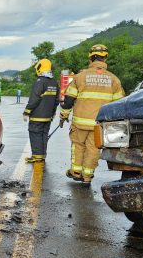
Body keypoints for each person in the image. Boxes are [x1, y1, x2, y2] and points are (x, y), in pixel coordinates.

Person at [59, 44, 124, 184]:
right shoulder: (114, 79)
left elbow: (69, 101)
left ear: (90, 58)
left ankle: (76, 171)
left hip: (80, 122)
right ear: (105, 59)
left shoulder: (80, 77)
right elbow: (119, 105)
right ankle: (87, 176)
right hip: (99, 124)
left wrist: (63, 116)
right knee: (93, 149)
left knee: (78, 145)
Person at [23, 58, 59, 163]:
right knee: (44, 135)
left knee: (35, 134)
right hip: (48, 116)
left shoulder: (40, 81)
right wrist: (52, 113)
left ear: (40, 67)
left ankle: (37, 156)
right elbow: (56, 100)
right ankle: (42, 155)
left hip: (37, 116)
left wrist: (26, 111)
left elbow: (34, 99)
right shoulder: (54, 82)